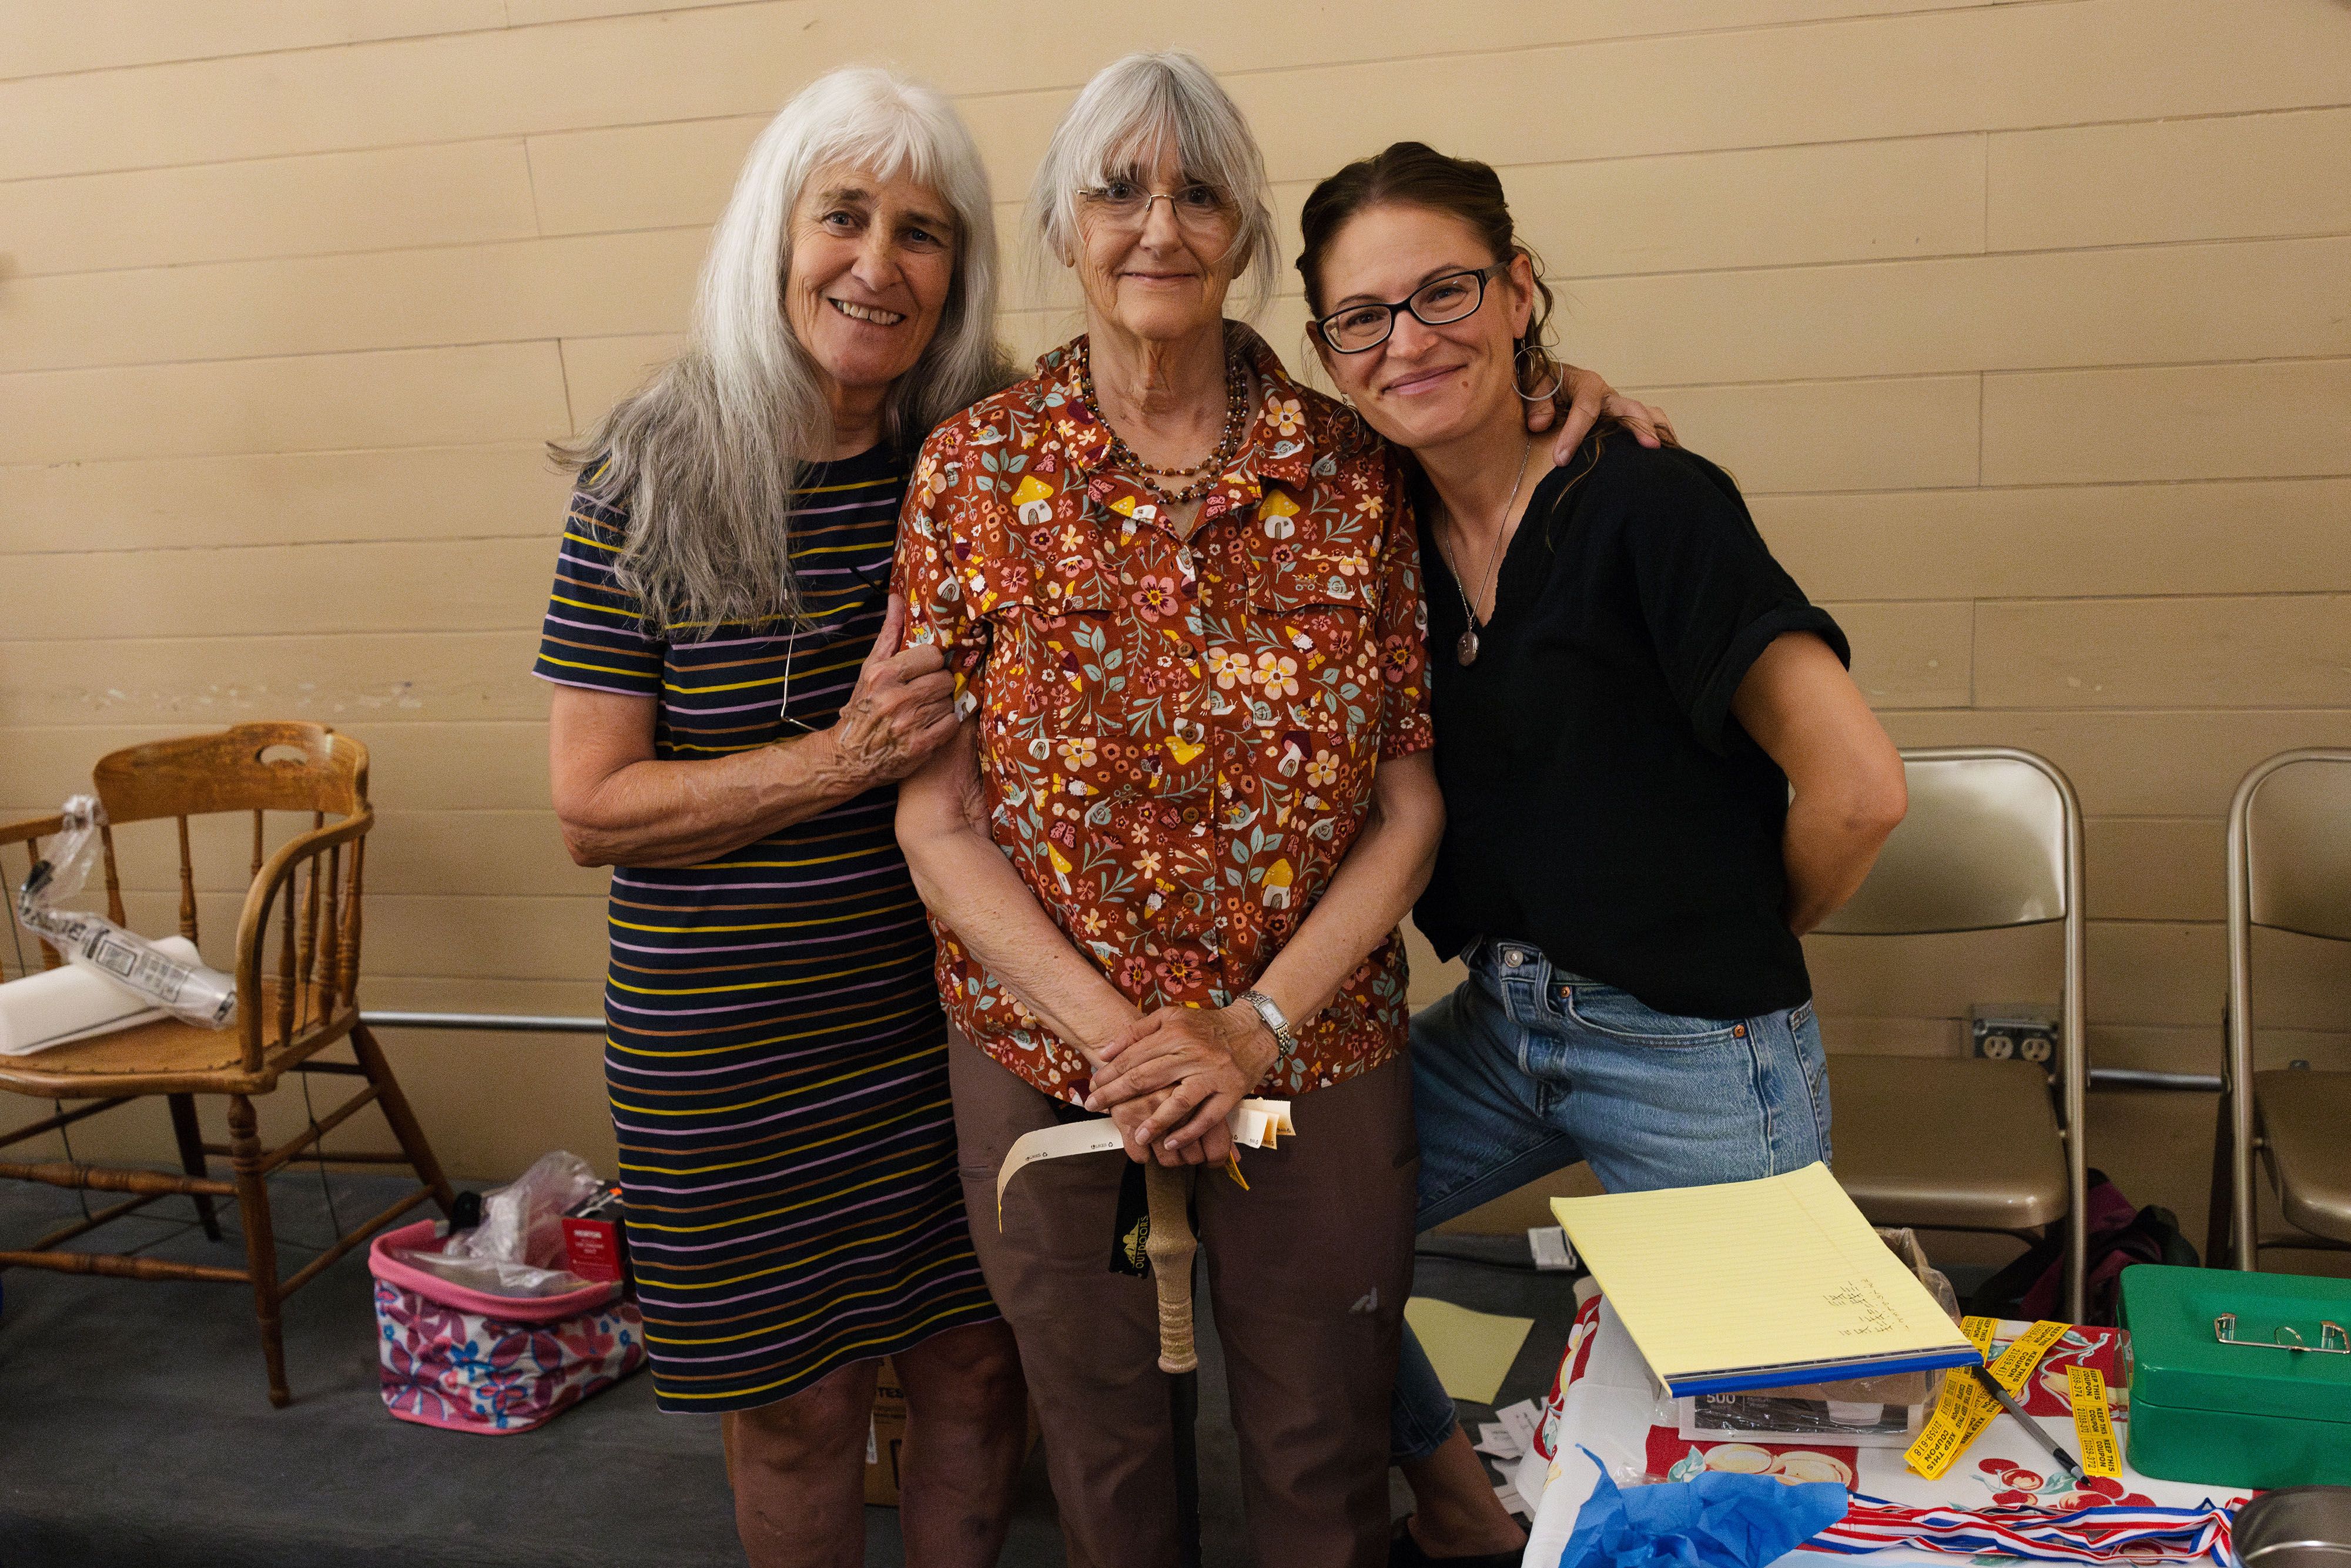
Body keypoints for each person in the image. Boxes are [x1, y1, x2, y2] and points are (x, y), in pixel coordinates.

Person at [889, 53, 1657, 1568]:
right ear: (1061, 226)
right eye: (1116, 189)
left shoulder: (1352, 466)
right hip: (1045, 1051)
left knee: (1322, 1441)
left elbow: (1406, 806)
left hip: (1314, 1040)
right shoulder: (973, 473)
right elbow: (939, 819)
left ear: (1243, 231)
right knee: (1103, 1450)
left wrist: (1246, 1025)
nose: (1156, 226)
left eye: (1197, 191)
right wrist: (1122, 1039)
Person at [1294, 142, 1911, 1568]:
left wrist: (1732, 956)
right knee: (1300, 1238)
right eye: (1361, 316)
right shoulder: (1373, 525)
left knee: (1718, 1469)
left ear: (1518, 291)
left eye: (1444, 290)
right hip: (1510, 1017)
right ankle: (1457, 1502)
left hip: (1695, 1043)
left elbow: (1859, 789)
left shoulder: (1649, 503)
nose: (1407, 338)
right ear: (1327, 354)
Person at [534, 69, 1029, 1568]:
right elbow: (591, 806)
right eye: (844, 215)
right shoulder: (655, 465)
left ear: (960, 270)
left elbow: (1201, 386)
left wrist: (1537, 398)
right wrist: (845, 755)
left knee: (976, 1367)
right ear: (776, 232)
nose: (877, 263)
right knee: (800, 1411)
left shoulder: (989, 450)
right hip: (736, 1049)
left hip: (955, 1023)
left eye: (922, 230)